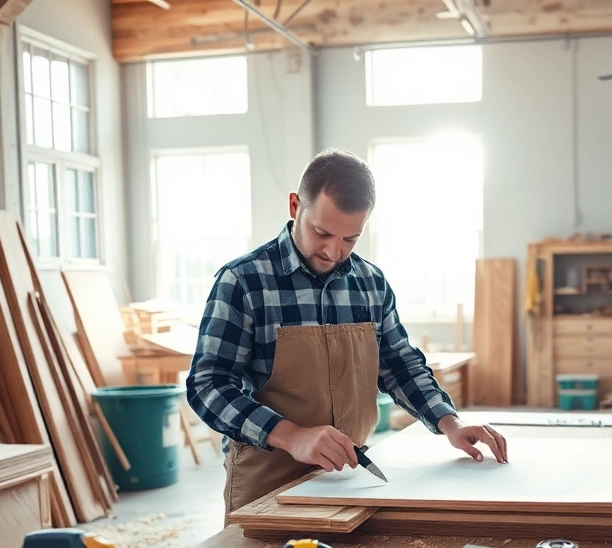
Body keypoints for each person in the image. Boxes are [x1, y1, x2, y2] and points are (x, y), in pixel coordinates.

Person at [187, 148, 509, 512]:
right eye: (322, 232)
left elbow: (400, 365)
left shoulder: (371, 283)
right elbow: (207, 385)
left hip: (349, 478)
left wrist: (450, 422)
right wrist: (292, 436)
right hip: (266, 483)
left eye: (350, 239)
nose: (333, 251)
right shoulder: (243, 281)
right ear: (295, 206)